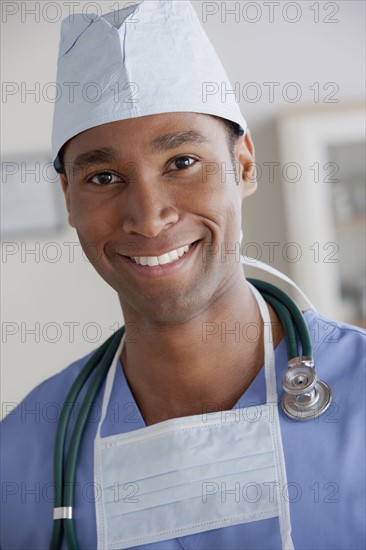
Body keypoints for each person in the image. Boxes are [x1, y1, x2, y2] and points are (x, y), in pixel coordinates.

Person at [1, 1, 365, 549]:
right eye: (103, 176)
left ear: (243, 164)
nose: (148, 217)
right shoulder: (22, 456)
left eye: (182, 163)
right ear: (69, 201)